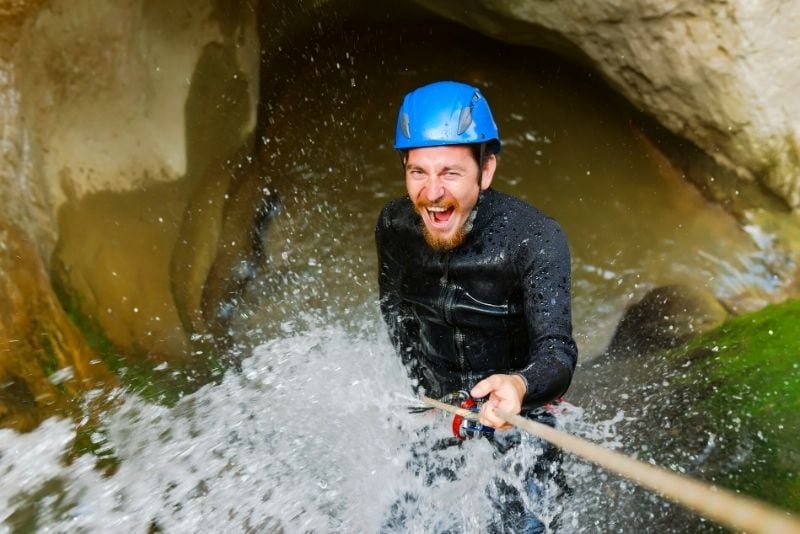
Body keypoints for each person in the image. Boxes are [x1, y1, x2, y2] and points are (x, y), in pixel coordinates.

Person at [375, 80, 578, 532]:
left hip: (522, 415)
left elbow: (558, 353)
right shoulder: (394, 227)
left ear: (486, 170)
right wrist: (424, 395)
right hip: (443, 412)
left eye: (450, 173)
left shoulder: (535, 239)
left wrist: (521, 387)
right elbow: (397, 318)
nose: (431, 194)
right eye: (418, 172)